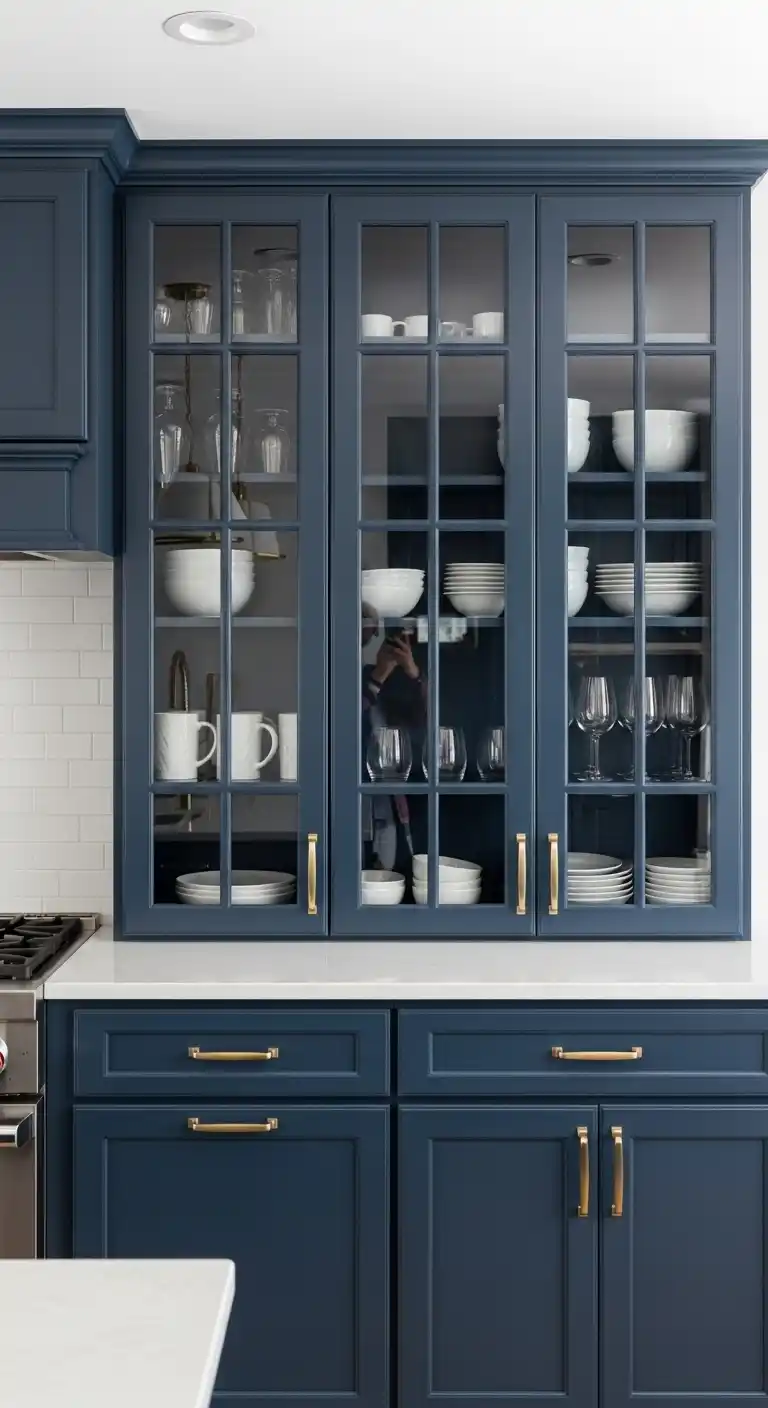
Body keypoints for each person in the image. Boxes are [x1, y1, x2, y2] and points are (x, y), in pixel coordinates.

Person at [361, 612, 427, 872]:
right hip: (368, 789)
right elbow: (344, 723)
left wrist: (413, 673)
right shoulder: (364, 676)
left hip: (419, 787)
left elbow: (437, 722)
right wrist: (379, 674)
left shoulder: (421, 680)